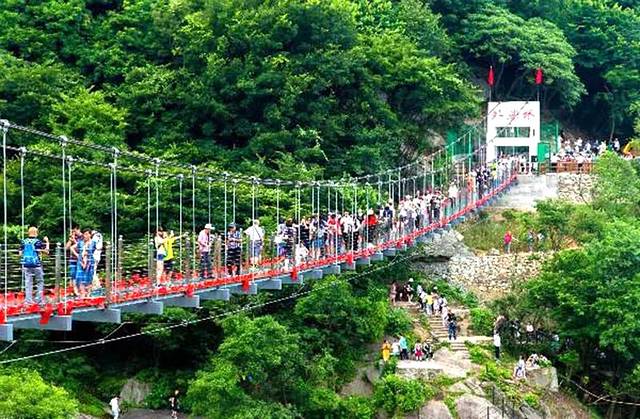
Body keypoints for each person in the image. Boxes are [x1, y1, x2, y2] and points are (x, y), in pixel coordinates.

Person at [19, 226, 50, 305]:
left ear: (28, 233)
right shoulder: (38, 242)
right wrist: (47, 242)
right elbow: (47, 252)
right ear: (36, 233)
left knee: (28, 283)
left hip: (26, 265)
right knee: (40, 281)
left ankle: (28, 301)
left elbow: (20, 253)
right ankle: (39, 300)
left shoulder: (23, 242)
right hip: (36, 264)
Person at [72, 229, 96, 298]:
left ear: (90, 235)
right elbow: (72, 248)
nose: (85, 236)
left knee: (89, 277)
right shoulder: (81, 242)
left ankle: (88, 294)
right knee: (79, 277)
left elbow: (91, 251)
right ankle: (82, 294)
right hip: (80, 261)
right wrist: (77, 255)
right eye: (84, 234)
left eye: (86, 234)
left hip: (89, 261)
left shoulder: (93, 242)